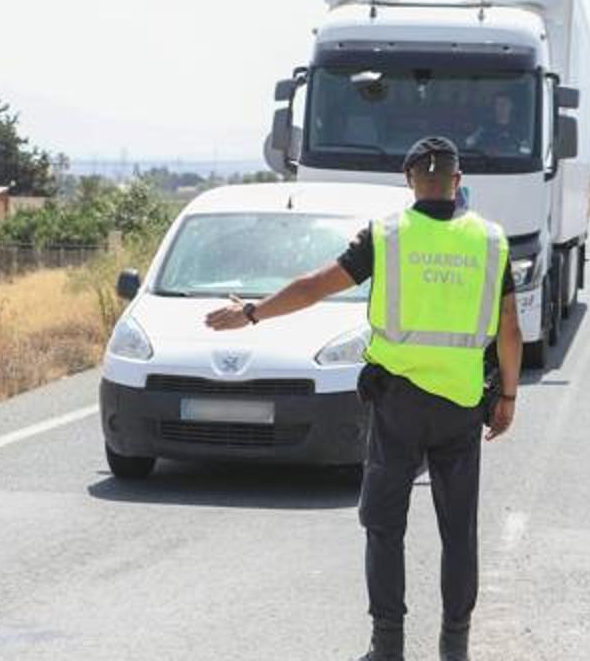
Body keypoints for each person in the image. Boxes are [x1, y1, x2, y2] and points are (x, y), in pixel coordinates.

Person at [205, 136, 522, 661]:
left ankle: (388, 646)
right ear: (458, 183)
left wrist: (254, 312)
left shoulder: (388, 235)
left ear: (409, 180)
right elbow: (509, 327)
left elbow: (316, 285)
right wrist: (507, 395)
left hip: (397, 405)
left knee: (383, 524)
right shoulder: (490, 241)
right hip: (463, 404)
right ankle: (455, 646)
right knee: (458, 530)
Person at [463, 92, 524, 156]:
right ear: (494, 106)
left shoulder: (518, 131)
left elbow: (524, 150)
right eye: (498, 104)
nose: (501, 107)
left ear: (511, 106)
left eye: (505, 103)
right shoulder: (485, 128)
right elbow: (469, 143)